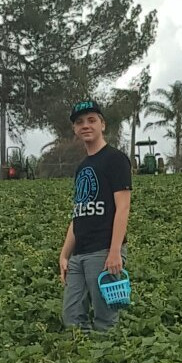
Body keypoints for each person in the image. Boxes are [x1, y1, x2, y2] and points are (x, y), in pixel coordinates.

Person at [59, 100, 132, 332]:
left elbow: (123, 207)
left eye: (91, 120)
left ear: (103, 124)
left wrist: (115, 252)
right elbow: (78, 214)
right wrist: (64, 255)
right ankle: (82, 354)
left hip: (103, 250)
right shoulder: (82, 167)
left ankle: (106, 354)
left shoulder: (115, 159)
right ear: (75, 129)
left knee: (105, 320)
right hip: (79, 254)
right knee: (72, 318)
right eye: (80, 122)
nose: (85, 126)